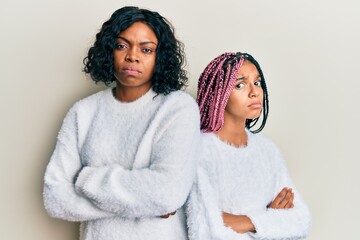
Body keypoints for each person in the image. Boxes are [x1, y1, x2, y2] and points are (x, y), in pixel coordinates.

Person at [43, 6, 200, 240]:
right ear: (108, 51)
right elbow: (55, 198)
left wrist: (86, 180)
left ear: (160, 57)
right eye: (121, 45)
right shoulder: (83, 112)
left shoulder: (178, 108)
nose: (132, 56)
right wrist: (143, 205)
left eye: (146, 49)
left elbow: (166, 192)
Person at [186, 52, 311, 239]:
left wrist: (248, 222)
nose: (254, 92)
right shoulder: (198, 150)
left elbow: (300, 220)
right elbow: (203, 229)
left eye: (257, 82)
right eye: (240, 84)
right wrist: (271, 221)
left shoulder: (267, 151)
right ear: (218, 94)